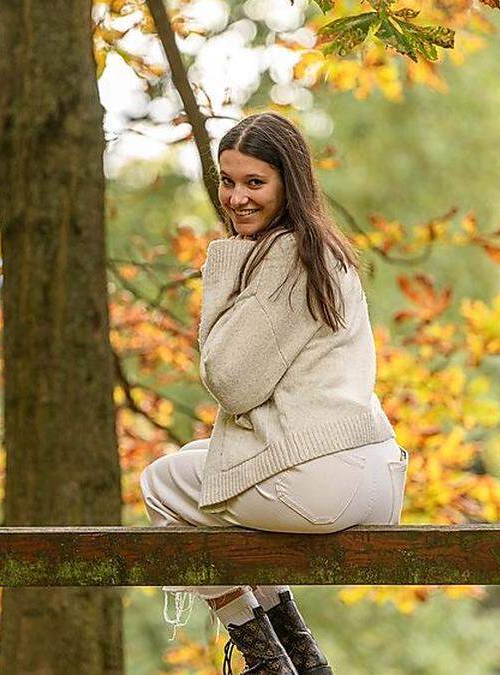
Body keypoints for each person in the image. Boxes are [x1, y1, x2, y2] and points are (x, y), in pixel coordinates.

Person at [139, 111, 410, 675]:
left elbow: (230, 382)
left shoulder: (283, 258)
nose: (236, 198)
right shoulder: (323, 250)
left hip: (322, 482)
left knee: (162, 484)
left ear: (290, 182)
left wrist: (221, 268)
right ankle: (301, 656)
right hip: (374, 473)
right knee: (197, 462)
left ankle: (268, 663)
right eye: (227, 180)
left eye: (254, 182)